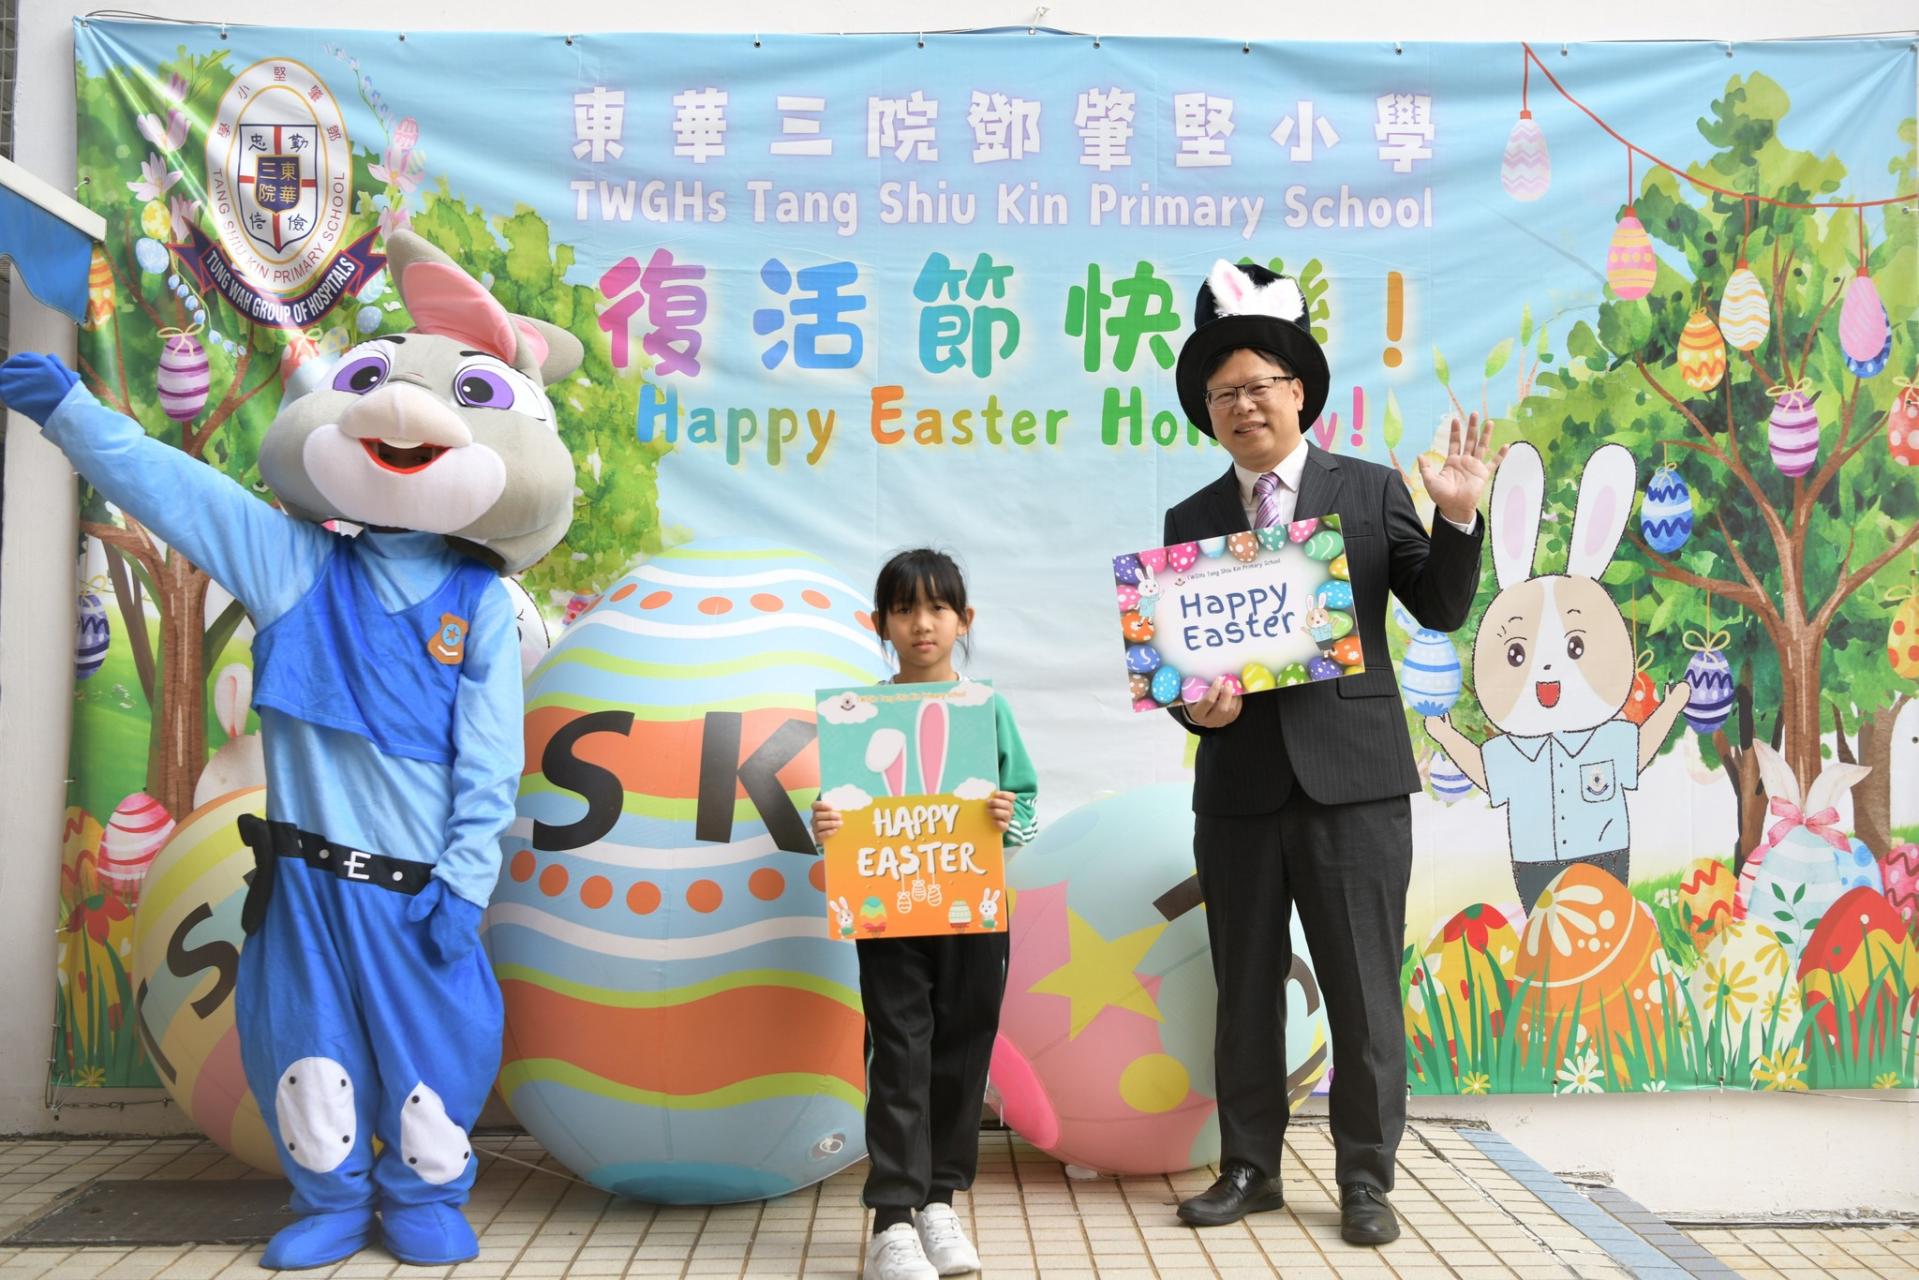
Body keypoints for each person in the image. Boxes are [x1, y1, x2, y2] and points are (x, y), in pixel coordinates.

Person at [0, 231, 583, 1271]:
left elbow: (492, 757)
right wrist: (74, 414)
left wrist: (464, 880)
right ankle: (329, 1197)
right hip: (304, 880)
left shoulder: (481, 604)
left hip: (417, 887)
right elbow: (179, 489)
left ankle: (423, 1194)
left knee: (434, 1046)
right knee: (303, 1044)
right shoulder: (293, 564)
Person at [1162, 260, 1503, 1245]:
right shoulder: (1190, 520)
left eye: (1257, 385)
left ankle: (1363, 1178)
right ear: (1208, 412)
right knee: (1243, 989)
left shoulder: (1368, 488)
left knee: (1360, 988)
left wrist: (1454, 516)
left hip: (1352, 782)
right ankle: (1248, 1167)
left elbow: (1439, 606)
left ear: (1297, 391)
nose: (1241, 405)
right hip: (1238, 790)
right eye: (1222, 393)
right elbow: (1185, 670)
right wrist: (1199, 712)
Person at [811, 549, 1039, 1280]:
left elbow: (1026, 802)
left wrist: (1006, 815)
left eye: (937, 608)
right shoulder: (857, 719)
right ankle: (892, 1220)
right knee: (900, 1052)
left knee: (963, 1048)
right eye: (904, 609)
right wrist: (826, 824)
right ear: (879, 623)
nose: (921, 624)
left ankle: (939, 1202)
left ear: (963, 620)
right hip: (889, 912)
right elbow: (847, 814)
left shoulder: (985, 709)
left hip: (973, 909)